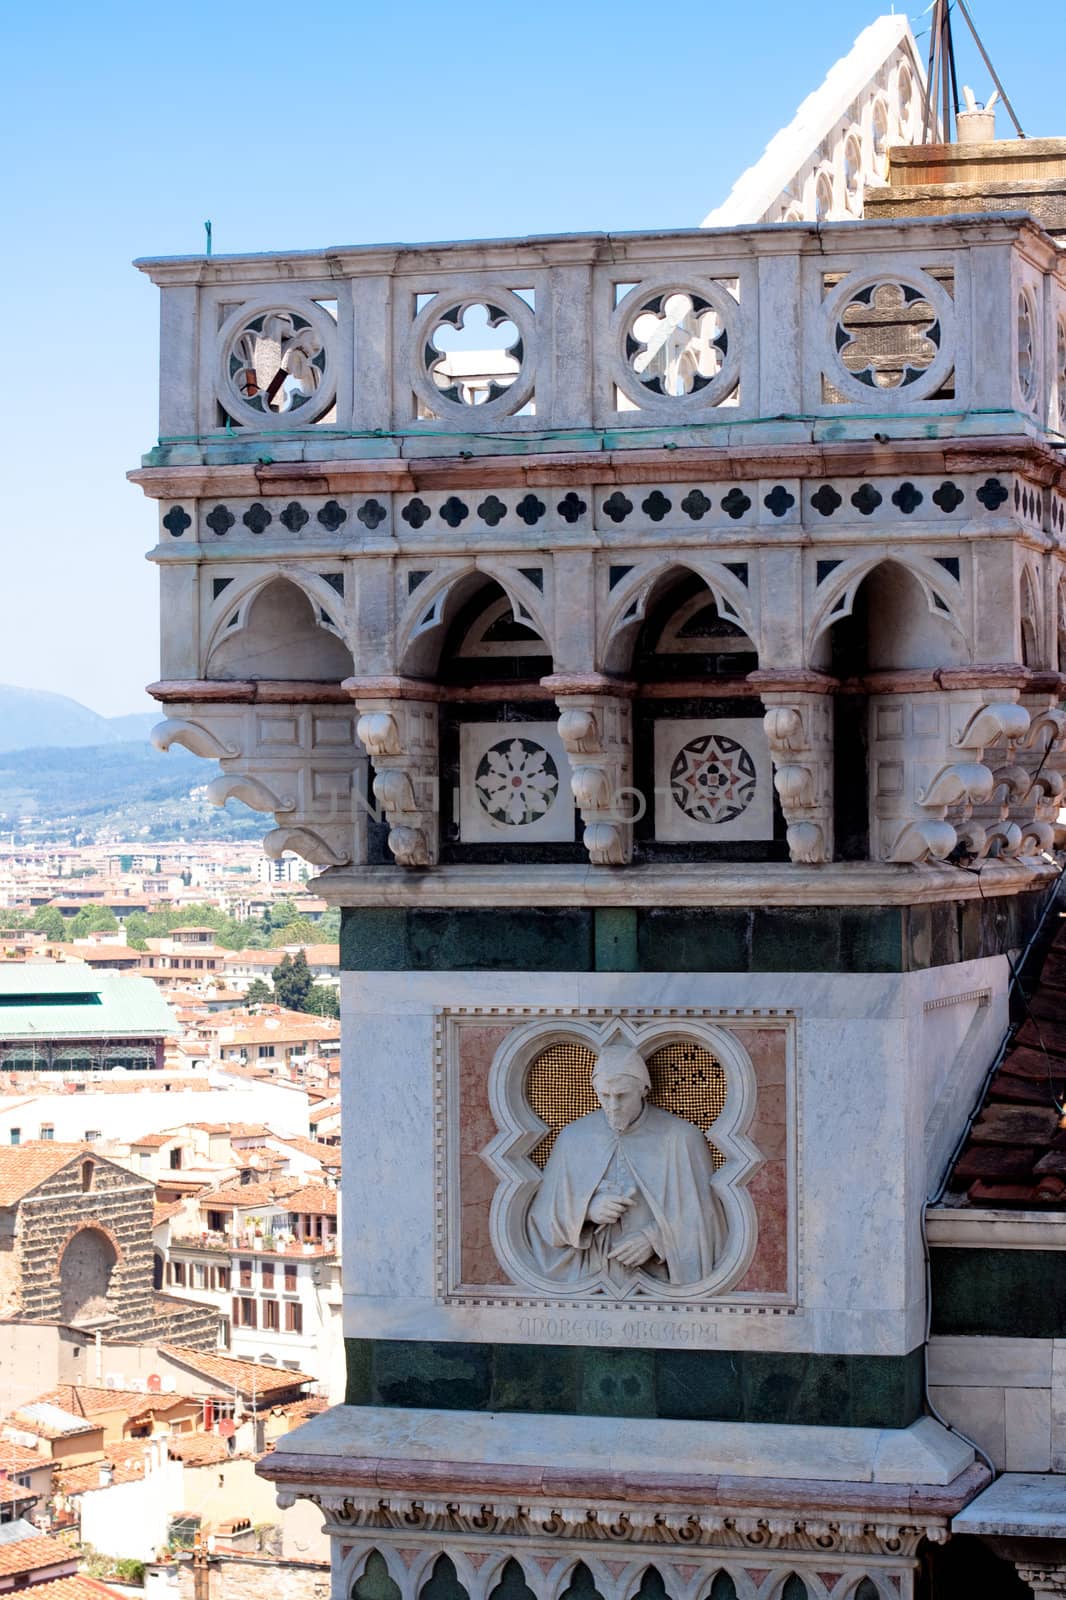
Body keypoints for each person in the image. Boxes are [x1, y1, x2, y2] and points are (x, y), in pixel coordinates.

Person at [525, 1040, 725, 1286]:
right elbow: (541, 1218)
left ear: (644, 1089)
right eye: (604, 1095)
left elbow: (707, 1217)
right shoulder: (573, 1138)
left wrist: (655, 1240)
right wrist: (586, 1211)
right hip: (588, 1277)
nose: (612, 1106)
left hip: (661, 1281)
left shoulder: (681, 1138)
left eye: (622, 1095)